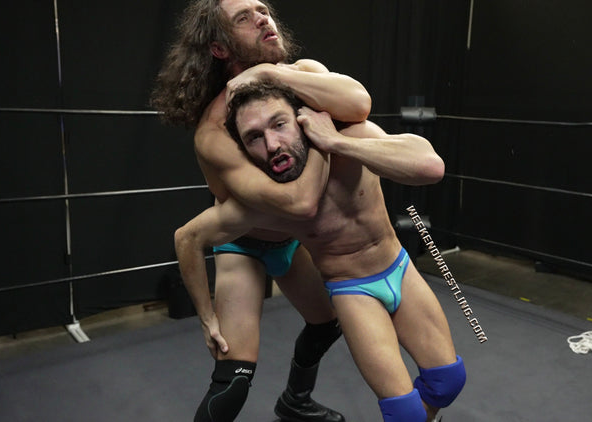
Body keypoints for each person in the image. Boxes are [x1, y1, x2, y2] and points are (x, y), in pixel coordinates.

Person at [176, 81, 466, 422]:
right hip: (353, 291)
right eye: (254, 137)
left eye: (279, 124)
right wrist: (207, 316)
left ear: (302, 119)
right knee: (406, 414)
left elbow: (430, 165)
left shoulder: (353, 137)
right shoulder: (271, 204)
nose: (272, 144)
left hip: (399, 267)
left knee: (447, 381)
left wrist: (336, 142)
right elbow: (188, 238)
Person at [151, 0, 372, 421]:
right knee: (233, 381)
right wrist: (206, 317)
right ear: (219, 48)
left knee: (328, 323)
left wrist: (272, 74)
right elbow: (300, 202)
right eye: (243, 17)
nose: (262, 18)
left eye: (262, 9)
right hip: (243, 245)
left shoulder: (299, 76)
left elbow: (360, 105)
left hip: (291, 239)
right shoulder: (215, 130)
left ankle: (295, 401)